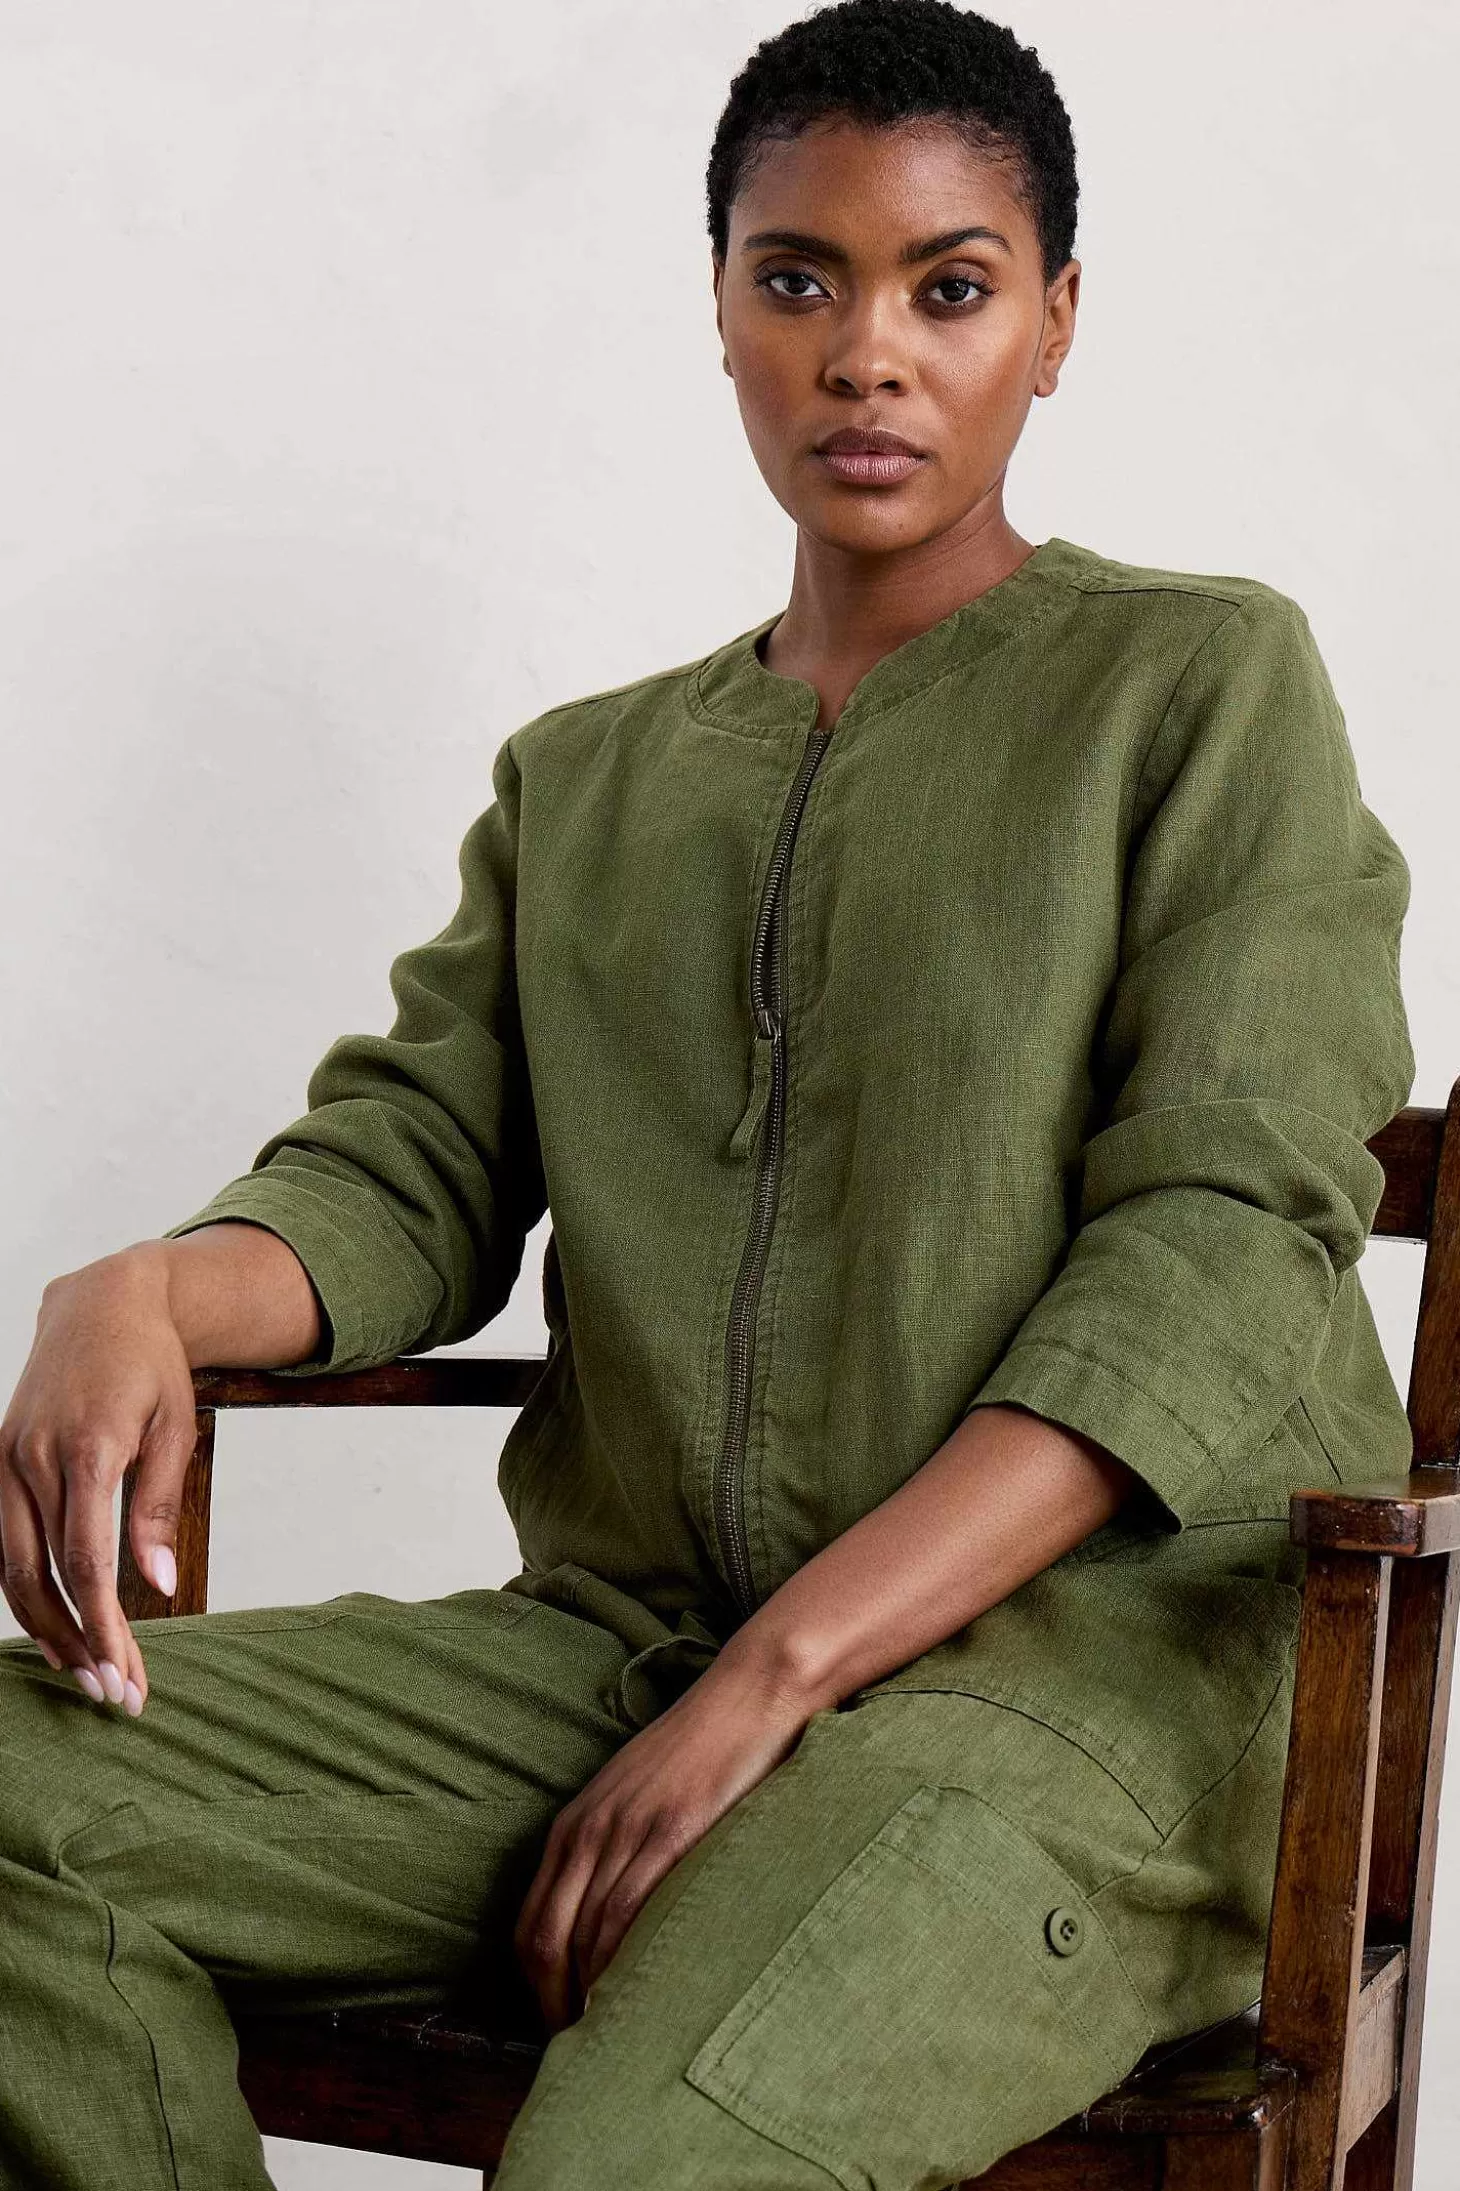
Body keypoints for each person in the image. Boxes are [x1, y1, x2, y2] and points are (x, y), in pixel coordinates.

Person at [0, 2, 1417, 2186]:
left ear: (1055, 322)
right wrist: (144, 1290)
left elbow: (1219, 1240)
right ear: (724, 313)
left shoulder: (1197, 684)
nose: (868, 354)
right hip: (622, 1657)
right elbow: (414, 1165)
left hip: (1090, 1690)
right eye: (800, 279)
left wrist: (785, 1676)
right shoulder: (587, 782)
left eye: (950, 286)